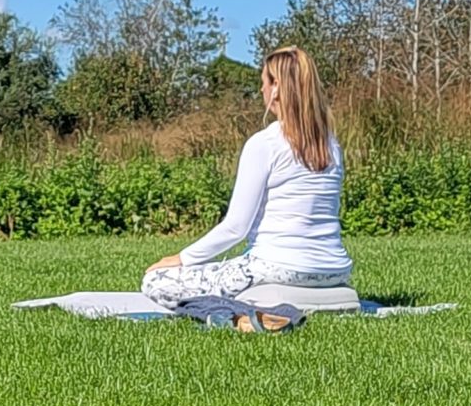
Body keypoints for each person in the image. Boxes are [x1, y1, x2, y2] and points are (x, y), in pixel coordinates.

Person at [142, 45, 352, 320]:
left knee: (155, 281)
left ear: (276, 88)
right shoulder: (331, 145)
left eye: (264, 82)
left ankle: (238, 316)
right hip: (334, 271)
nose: (261, 91)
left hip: (276, 266)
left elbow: (235, 228)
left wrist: (182, 259)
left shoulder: (264, 143)